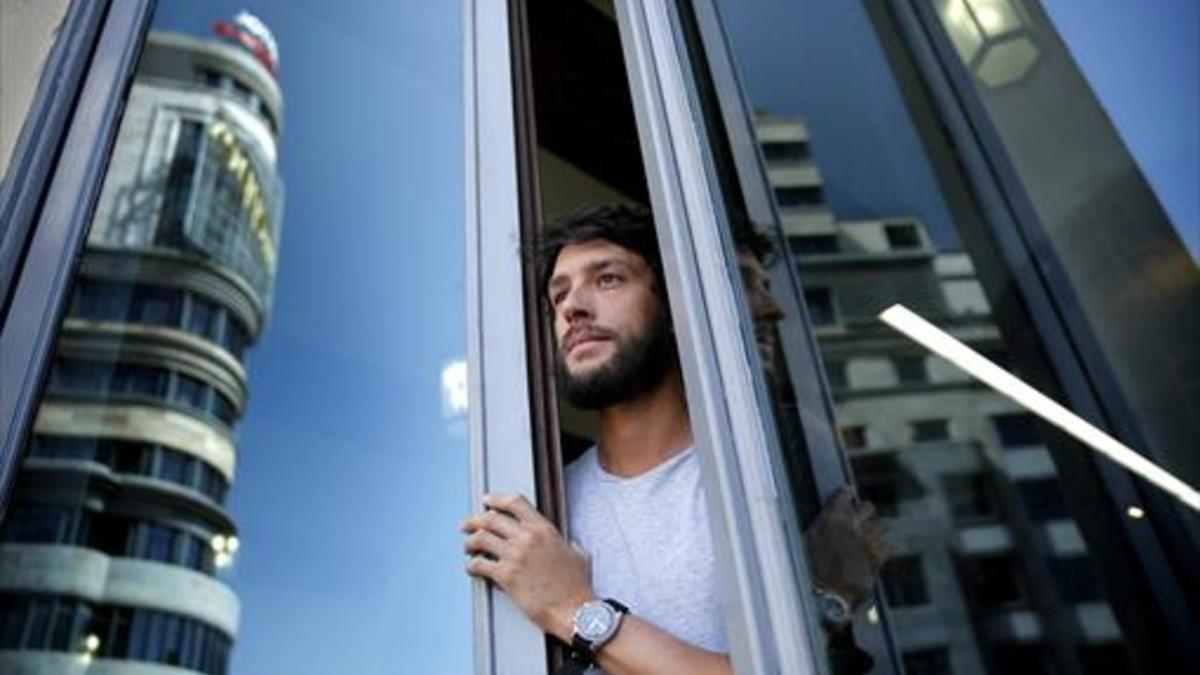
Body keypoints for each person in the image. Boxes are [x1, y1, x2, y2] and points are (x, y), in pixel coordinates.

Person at [461, 205, 884, 674]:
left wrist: (574, 610)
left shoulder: (776, 461)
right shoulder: (544, 508)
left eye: (608, 280)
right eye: (558, 296)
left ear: (671, 304)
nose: (572, 308)